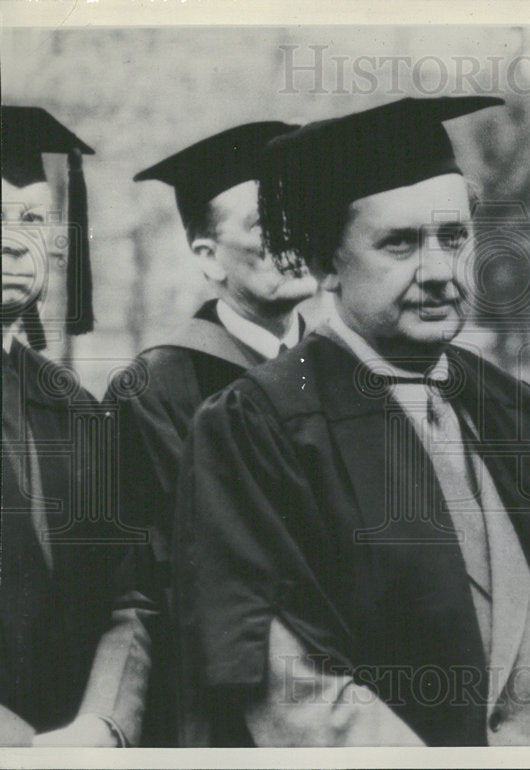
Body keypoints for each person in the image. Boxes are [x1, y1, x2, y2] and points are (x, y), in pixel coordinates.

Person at [173, 96, 530, 747]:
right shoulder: (255, 427)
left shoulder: (521, 412)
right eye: (398, 244)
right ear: (323, 263)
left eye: (453, 238)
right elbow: (290, 682)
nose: (437, 272)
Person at [103, 121, 318, 745]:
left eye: (300, 215)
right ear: (207, 257)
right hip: (224, 708)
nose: (293, 240)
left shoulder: (340, 371)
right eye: (263, 227)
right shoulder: (157, 389)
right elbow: (172, 578)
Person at [1, 105, 153, 747]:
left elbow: (132, 589)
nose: (14, 240)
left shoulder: (76, 405)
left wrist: (104, 722)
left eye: (32, 218)